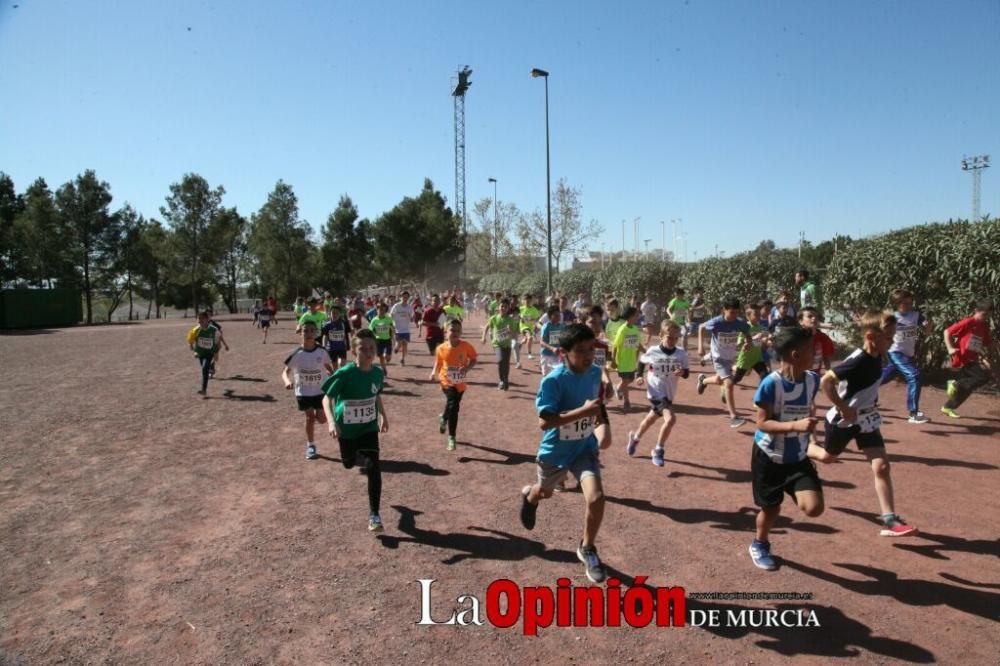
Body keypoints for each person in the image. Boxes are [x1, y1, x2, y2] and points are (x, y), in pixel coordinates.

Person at [519, 323, 612, 583]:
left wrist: (603, 423)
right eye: (580, 350)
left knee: (596, 498)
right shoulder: (553, 380)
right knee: (545, 492)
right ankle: (531, 496)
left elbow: (595, 406)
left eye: (591, 349)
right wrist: (583, 413)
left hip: (584, 448)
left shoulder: (594, 373)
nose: (587, 355)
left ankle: (587, 548)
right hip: (555, 452)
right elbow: (545, 421)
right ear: (564, 353)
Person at [813, 310, 917, 537]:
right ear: (871, 337)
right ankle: (801, 447)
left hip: (868, 419)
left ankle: (889, 519)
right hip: (843, 421)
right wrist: (844, 407)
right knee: (827, 458)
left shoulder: (879, 356)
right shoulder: (858, 360)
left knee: (882, 466)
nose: (892, 341)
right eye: (888, 337)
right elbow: (826, 382)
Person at [748, 326, 826, 570]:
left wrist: (811, 434)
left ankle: (796, 486)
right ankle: (759, 544)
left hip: (797, 457)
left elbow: (809, 406)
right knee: (771, 509)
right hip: (768, 456)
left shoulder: (812, 380)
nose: (815, 354)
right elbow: (761, 422)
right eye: (811, 350)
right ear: (795, 354)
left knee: (814, 508)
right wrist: (796, 424)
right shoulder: (771, 384)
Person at [321, 329, 389, 533]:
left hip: (368, 427)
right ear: (353, 351)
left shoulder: (377, 373)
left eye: (371, 348)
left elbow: (376, 394)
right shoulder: (345, 373)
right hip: (347, 430)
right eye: (363, 348)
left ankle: (374, 514)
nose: (368, 352)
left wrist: (384, 415)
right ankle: (351, 455)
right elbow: (327, 398)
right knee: (349, 463)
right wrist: (332, 422)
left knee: (373, 466)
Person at [626, 320, 690, 467]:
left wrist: (682, 372)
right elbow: (642, 361)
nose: (673, 340)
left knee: (651, 419)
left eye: (676, 338)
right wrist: (639, 376)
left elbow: (686, 373)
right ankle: (658, 450)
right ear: (661, 335)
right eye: (669, 337)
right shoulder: (653, 350)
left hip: (669, 393)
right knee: (670, 419)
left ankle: (635, 438)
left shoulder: (681, 354)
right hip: (655, 391)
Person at [878, 289, 933, 423]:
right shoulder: (891, 317)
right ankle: (913, 413)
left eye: (910, 303)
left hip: (907, 354)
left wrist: (928, 327)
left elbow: (927, 330)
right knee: (914, 375)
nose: (908, 306)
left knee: (882, 378)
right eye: (905, 303)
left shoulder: (916, 315)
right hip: (895, 351)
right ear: (897, 304)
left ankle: (858, 388)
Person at [697, 296, 753, 428]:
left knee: (719, 380)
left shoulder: (739, 322)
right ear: (724, 310)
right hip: (718, 357)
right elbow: (701, 327)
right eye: (732, 312)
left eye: (737, 312)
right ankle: (733, 417)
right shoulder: (717, 322)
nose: (734, 315)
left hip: (730, 356)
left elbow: (747, 332)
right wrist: (701, 346)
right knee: (728, 383)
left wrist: (748, 342)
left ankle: (703, 380)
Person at [283, 321, 335, 460]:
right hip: (303, 391)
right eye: (306, 331)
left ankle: (323, 415)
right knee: (309, 417)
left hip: (320, 390)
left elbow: (328, 366)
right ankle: (310, 445)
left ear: (316, 334)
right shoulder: (297, 354)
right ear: (301, 333)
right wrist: (287, 380)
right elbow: (285, 372)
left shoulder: (322, 351)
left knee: (322, 419)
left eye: (312, 331)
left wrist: (334, 376)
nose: (309, 334)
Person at [941, 300, 995, 418]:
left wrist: (989, 354)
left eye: (988, 316)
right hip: (963, 357)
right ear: (976, 311)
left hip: (973, 358)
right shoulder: (968, 322)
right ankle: (955, 383)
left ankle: (948, 407)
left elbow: (987, 342)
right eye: (984, 315)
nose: (985, 318)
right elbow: (947, 332)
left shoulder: (984, 326)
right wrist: (950, 348)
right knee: (981, 377)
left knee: (967, 388)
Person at [430, 320, 477, 450]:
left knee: (452, 405)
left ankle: (444, 418)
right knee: (453, 406)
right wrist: (433, 372)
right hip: (446, 380)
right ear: (446, 332)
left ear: (461, 332)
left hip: (460, 383)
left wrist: (467, 368)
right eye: (452, 330)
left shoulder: (466, 346)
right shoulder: (441, 348)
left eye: (457, 330)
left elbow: (473, 359)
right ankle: (452, 437)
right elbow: (438, 363)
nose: (454, 333)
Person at [729, 305, 769, 395]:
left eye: (759, 314)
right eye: (756, 314)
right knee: (737, 379)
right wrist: (755, 338)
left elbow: (766, 338)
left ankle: (761, 396)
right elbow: (739, 344)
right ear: (748, 316)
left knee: (765, 376)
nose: (759, 316)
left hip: (757, 358)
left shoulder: (761, 328)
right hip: (745, 359)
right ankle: (725, 388)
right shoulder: (745, 328)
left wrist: (767, 339)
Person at [610, 305, 644, 411]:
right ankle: (627, 402)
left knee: (629, 380)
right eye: (636, 315)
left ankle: (618, 387)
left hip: (632, 361)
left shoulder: (635, 329)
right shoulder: (622, 330)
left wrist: (648, 353)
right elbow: (615, 346)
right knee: (625, 380)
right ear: (630, 316)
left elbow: (638, 344)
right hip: (622, 361)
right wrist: (613, 360)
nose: (638, 317)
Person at [482, 298, 518, 390]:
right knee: (500, 361)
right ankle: (502, 380)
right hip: (497, 344)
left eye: (505, 307)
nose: (503, 308)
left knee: (506, 363)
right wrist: (483, 337)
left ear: (508, 308)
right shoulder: (494, 318)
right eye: (502, 306)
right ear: (498, 307)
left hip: (507, 345)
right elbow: (486, 327)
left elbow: (514, 332)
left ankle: (505, 379)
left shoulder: (511, 320)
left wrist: (510, 332)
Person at [186, 312, 225, 397]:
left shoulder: (214, 330)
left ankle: (204, 390)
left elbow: (218, 343)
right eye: (198, 319)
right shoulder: (195, 330)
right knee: (204, 369)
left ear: (208, 320)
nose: (200, 321)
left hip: (210, 353)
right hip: (200, 353)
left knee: (204, 369)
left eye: (202, 318)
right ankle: (209, 371)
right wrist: (195, 352)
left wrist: (216, 353)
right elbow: (190, 342)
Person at [799, 306, 835, 376]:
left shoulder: (824, 338)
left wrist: (829, 376)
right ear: (801, 321)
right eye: (810, 316)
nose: (814, 318)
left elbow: (826, 358)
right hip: (798, 377)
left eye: (816, 316)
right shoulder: (796, 338)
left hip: (815, 376)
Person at [321, 304, 352, 369]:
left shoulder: (344, 323)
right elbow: (325, 336)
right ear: (330, 313)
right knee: (335, 368)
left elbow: (350, 332)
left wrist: (351, 342)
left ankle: (341, 376)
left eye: (336, 313)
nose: (334, 315)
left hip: (342, 348)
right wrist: (324, 346)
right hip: (332, 348)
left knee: (342, 364)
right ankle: (336, 376)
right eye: (333, 313)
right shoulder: (327, 325)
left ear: (340, 314)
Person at [538, 305, 566, 377]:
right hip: (546, 355)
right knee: (547, 377)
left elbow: (563, 339)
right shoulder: (546, 327)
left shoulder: (562, 326)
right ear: (550, 316)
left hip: (558, 356)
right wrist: (552, 348)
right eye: (556, 315)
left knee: (557, 376)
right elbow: (541, 342)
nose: (558, 317)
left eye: (559, 315)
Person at [369, 302, 395, 376]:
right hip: (378, 340)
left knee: (387, 357)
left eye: (383, 310)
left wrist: (394, 336)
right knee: (381, 356)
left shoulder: (388, 319)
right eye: (380, 310)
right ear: (377, 310)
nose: (381, 311)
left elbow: (392, 328)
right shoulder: (374, 320)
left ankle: (387, 357)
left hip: (387, 339)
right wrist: (372, 337)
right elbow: (370, 330)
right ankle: (384, 369)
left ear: (385, 310)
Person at [390, 291, 414, 366]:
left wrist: (411, 317)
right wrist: (392, 323)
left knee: (405, 344)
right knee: (399, 342)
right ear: (400, 297)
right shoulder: (396, 306)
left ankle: (402, 359)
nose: (405, 298)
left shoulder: (409, 307)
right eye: (403, 297)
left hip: (406, 329)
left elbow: (412, 317)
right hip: (397, 328)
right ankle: (396, 348)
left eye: (406, 297)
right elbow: (391, 315)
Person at [519, 294, 541, 361]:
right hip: (523, 327)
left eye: (528, 301)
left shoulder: (534, 310)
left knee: (526, 340)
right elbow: (516, 316)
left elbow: (537, 319)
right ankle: (529, 354)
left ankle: (519, 344)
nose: (527, 302)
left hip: (530, 327)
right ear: (523, 301)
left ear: (531, 301)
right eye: (525, 300)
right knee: (530, 337)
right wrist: (520, 318)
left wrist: (531, 320)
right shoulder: (521, 309)